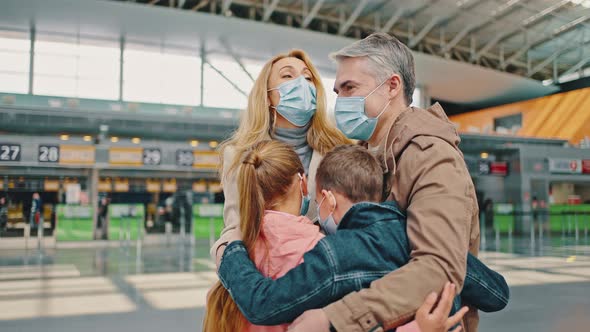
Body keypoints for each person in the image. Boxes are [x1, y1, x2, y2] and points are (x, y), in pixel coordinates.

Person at [288, 33, 481, 331]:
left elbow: (438, 268)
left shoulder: (430, 157)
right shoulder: (364, 156)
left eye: (350, 87)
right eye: (338, 91)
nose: (341, 100)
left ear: (392, 86)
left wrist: (335, 318)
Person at [218, 145, 509, 331]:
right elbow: (497, 295)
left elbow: (262, 304)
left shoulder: (334, 253)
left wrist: (231, 248)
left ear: (327, 198)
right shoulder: (425, 239)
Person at [211, 49, 350, 265]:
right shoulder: (239, 154)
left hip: (326, 272)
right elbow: (235, 228)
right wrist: (232, 268)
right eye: (287, 76)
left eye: (307, 77)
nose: (301, 84)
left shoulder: (338, 150)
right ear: (267, 96)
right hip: (266, 274)